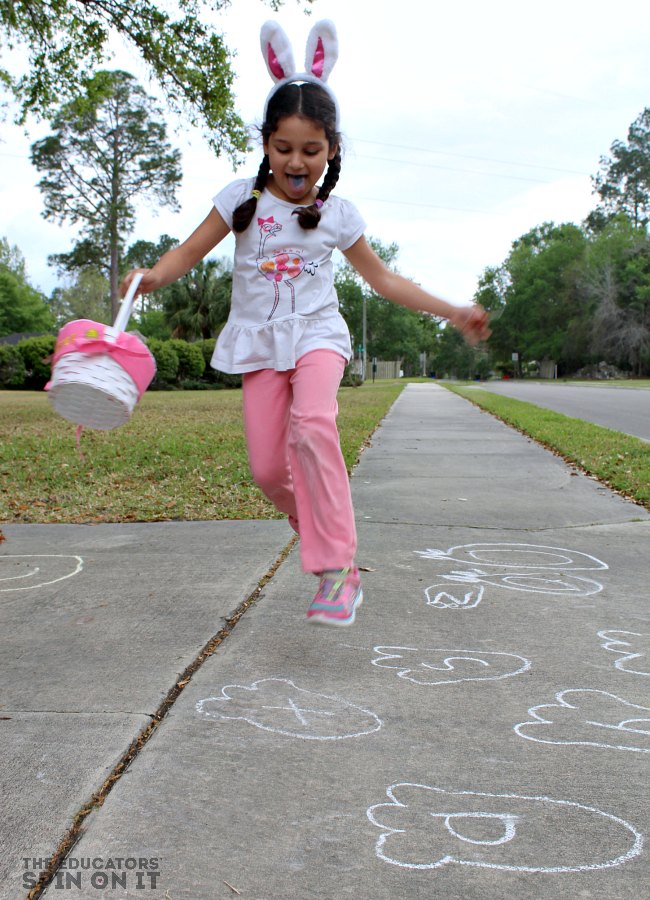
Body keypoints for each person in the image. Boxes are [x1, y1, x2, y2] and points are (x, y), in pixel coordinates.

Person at [121, 19, 491, 627]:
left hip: (317, 337)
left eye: (311, 151)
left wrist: (452, 309)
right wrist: (155, 277)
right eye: (284, 148)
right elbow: (187, 252)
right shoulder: (240, 201)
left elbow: (384, 280)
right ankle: (320, 529)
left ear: (333, 150)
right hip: (260, 345)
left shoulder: (338, 214)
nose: (297, 162)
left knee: (314, 424)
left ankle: (337, 568)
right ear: (266, 144)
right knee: (268, 470)